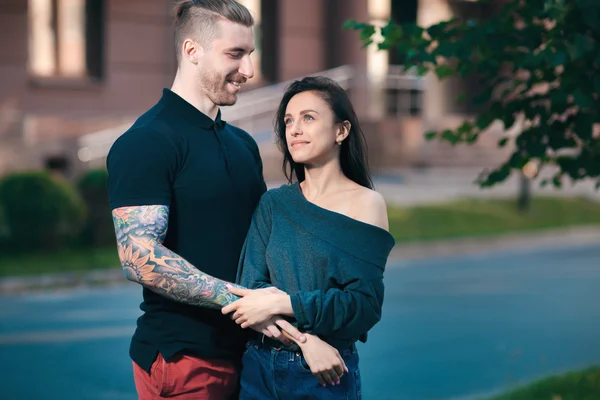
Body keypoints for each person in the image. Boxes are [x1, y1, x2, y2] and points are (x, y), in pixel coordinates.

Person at [106, 1, 303, 399]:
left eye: (250, 54)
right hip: (186, 359)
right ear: (192, 51)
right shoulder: (149, 141)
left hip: (252, 355)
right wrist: (243, 303)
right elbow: (138, 257)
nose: (248, 70)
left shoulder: (243, 144)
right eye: (235, 54)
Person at [221, 76, 396, 399]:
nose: (295, 129)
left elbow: (363, 305)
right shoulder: (273, 204)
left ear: (341, 131)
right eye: (288, 121)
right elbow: (250, 293)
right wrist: (304, 341)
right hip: (259, 369)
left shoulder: (366, 204)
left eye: (308, 118)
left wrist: (284, 302)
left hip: (324, 375)